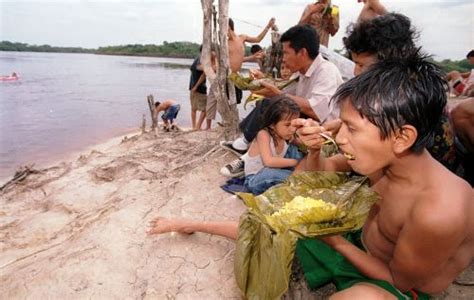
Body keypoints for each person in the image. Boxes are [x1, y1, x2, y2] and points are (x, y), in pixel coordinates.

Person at [148, 55, 474, 299]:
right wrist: (315, 150)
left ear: (402, 137)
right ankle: (190, 223)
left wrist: (331, 239)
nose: (341, 137)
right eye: (340, 125)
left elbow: (399, 280)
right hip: (359, 246)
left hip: (395, 285)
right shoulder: (385, 158)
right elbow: (311, 179)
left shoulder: (440, 210)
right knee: (267, 222)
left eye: (351, 128)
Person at [220, 25, 342, 176]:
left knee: (271, 107)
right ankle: (246, 148)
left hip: (320, 131)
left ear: (302, 52)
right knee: (268, 105)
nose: (283, 59)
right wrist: (258, 82)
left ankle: (244, 150)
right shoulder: (302, 73)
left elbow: (316, 111)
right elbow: (283, 93)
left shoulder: (326, 71)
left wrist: (277, 94)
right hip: (306, 123)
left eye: (286, 53)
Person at [343, 13, 458, 172]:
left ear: (387, 63)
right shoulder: (402, 87)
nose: (356, 72)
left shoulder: (410, 97)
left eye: (361, 65)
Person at [206, 17, 275, 124]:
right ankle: (208, 127)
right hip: (224, 74)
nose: (221, 30)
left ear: (228, 26)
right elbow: (224, 60)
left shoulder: (242, 38)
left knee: (233, 100)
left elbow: (257, 39)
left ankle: (230, 121)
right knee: (213, 97)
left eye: (222, 26)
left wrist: (268, 26)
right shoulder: (225, 43)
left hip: (235, 75)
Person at [241, 96, 302, 195]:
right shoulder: (263, 135)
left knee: (296, 150)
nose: (292, 129)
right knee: (270, 173)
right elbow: (268, 162)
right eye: (287, 125)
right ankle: (296, 177)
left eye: (295, 125)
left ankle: (295, 176)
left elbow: (302, 145)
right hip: (256, 178)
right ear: (272, 125)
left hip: (277, 171)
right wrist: (297, 162)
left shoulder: (288, 135)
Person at [189, 46, 209, 130]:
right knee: (205, 108)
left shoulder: (197, 59)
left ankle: (195, 126)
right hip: (198, 87)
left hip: (193, 86)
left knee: (194, 108)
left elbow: (201, 72)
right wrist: (196, 86)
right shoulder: (202, 60)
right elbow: (204, 74)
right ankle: (197, 126)